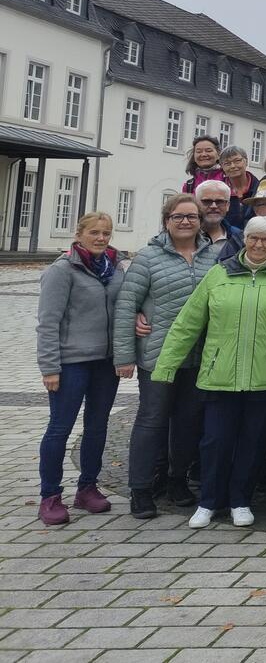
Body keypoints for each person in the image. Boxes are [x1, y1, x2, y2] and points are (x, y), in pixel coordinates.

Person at [153, 216, 266, 528]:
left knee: (253, 443)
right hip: (219, 376)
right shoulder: (218, 275)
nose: (259, 245)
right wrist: (166, 366)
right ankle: (209, 501)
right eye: (253, 238)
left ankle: (241, 500)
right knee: (215, 442)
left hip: (263, 379)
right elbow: (187, 324)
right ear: (244, 240)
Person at [114, 195, 219, 519]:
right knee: (152, 421)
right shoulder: (147, 258)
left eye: (191, 216)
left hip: (197, 357)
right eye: (178, 216)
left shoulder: (212, 258)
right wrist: (124, 356)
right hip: (157, 355)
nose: (185, 222)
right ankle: (141, 489)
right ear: (166, 220)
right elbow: (126, 305)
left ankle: (176, 480)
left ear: (201, 221)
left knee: (188, 423)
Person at [36, 212, 124, 525]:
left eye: (106, 233)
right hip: (71, 362)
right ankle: (50, 495)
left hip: (104, 362)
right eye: (95, 233)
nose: (101, 238)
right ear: (80, 233)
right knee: (59, 428)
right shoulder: (62, 270)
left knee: (97, 426)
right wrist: (50, 367)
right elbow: (48, 322)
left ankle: (87, 487)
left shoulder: (115, 268)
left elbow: (123, 308)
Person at [219, 145, 258, 231]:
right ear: (222, 167)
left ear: (246, 161)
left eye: (237, 161)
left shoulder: (259, 188)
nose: (232, 166)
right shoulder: (219, 191)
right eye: (227, 163)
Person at [196, 180, 240, 253]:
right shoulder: (184, 234)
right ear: (196, 204)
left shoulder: (238, 237)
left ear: (228, 206)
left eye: (220, 201)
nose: (214, 206)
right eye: (207, 201)